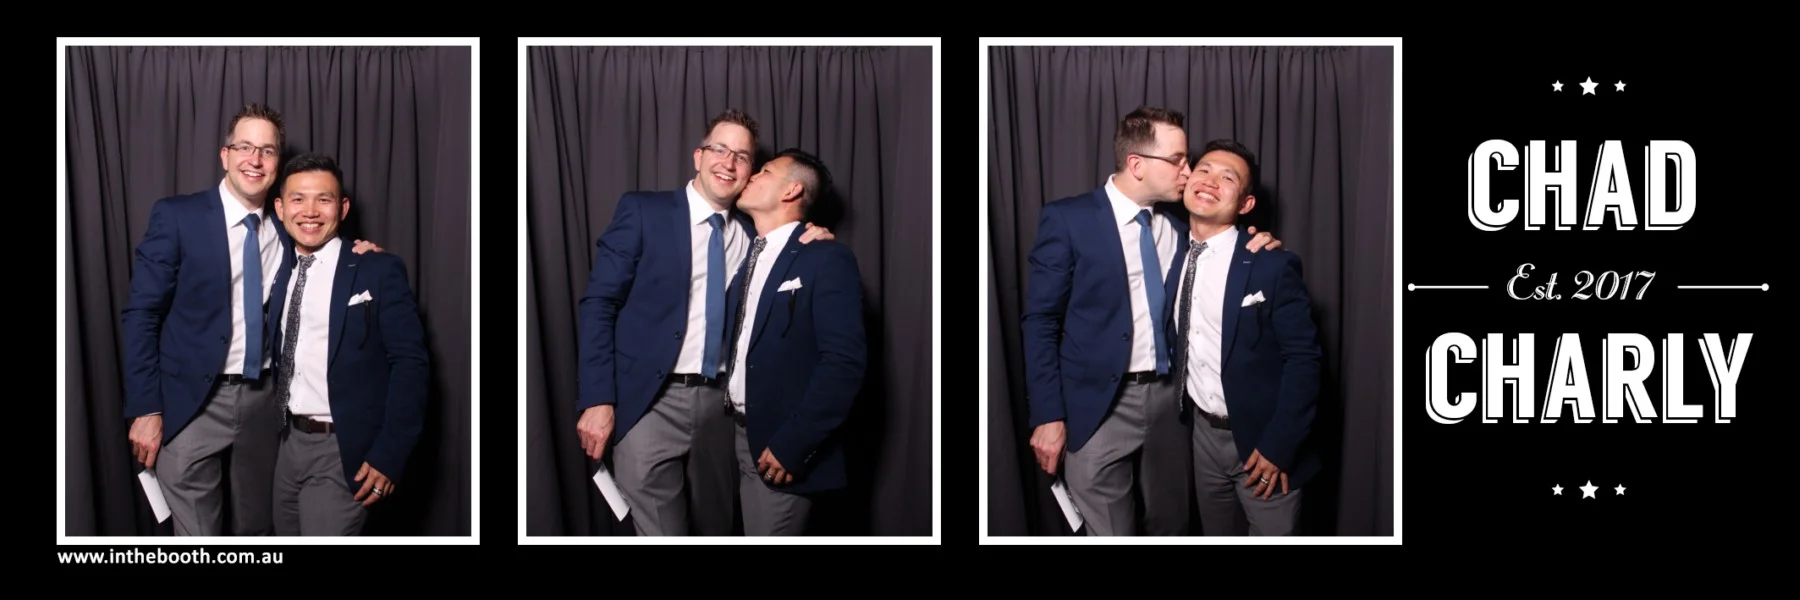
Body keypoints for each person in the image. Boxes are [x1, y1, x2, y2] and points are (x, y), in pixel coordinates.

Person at [120, 103, 378, 536]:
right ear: (225, 155)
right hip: (191, 403)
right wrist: (146, 407)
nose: (254, 159)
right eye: (244, 147)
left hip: (264, 399)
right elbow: (142, 314)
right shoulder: (178, 216)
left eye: (267, 150)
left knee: (258, 529)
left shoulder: (287, 224)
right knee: (197, 537)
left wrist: (364, 256)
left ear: (277, 164)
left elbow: (326, 243)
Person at [1021, 107, 1280, 535]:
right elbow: (1041, 321)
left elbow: (1225, 247)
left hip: (1169, 403)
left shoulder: (1180, 226)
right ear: (1137, 164)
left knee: (1172, 525)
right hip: (1097, 406)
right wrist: (1048, 415)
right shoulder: (1068, 220)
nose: (1189, 172)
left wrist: (1257, 242)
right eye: (1178, 160)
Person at [575, 109, 833, 536]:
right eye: (719, 149)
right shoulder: (643, 211)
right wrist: (598, 398)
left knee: (718, 527)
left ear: (750, 172)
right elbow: (599, 304)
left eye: (742, 156)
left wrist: (813, 237)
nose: (728, 162)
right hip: (648, 404)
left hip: (722, 410)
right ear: (699, 156)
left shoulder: (754, 234)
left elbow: (790, 247)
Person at [263, 152, 430, 535]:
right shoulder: (280, 268)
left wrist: (390, 452)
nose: (310, 211)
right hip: (287, 445)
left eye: (323, 199)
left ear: (342, 207)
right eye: (298, 199)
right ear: (281, 208)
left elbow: (410, 364)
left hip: (342, 447)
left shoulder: (377, 268)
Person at [1169, 139, 1320, 536]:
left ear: (1246, 204)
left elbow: (1304, 361)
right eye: (1204, 170)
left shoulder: (1271, 264)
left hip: (1262, 442)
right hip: (1202, 437)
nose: (1210, 181)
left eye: (1227, 178)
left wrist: (1279, 445)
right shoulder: (1170, 253)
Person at [720, 148, 866, 535]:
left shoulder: (826, 257)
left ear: (792, 190)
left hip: (781, 447)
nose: (751, 175)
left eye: (765, 171)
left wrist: (794, 444)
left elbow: (844, 363)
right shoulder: (747, 255)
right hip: (737, 438)